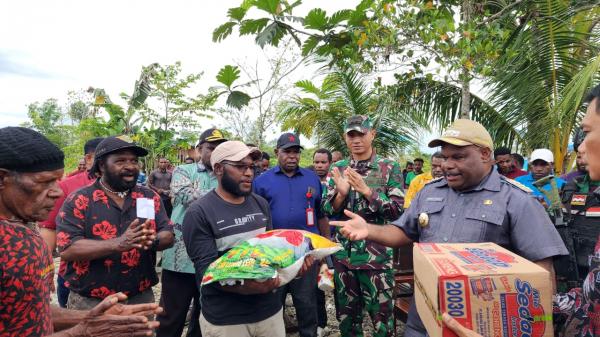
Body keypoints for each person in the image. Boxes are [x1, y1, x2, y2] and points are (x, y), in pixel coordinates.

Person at [331, 118, 568, 337]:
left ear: (485, 154)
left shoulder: (517, 200)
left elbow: (543, 273)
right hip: (423, 318)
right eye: (445, 157)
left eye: (458, 157)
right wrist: (368, 230)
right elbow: (404, 231)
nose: (447, 165)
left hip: (480, 325)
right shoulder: (430, 192)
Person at [0, 127, 161, 337]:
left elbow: (31, 313)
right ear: (3, 178)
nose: (57, 191)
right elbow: (67, 248)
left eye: (57, 180)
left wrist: (91, 319)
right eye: (44, 182)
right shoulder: (80, 199)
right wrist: (79, 332)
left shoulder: (23, 235)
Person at [183, 141, 314, 337]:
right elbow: (207, 274)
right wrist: (252, 287)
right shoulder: (199, 213)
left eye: (251, 167)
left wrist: (292, 269)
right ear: (218, 169)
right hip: (227, 320)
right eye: (240, 166)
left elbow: (270, 255)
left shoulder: (260, 204)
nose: (249, 173)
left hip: (269, 313)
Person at [57, 135, 174, 310]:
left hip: (139, 298)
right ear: (102, 165)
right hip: (92, 302)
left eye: (134, 161)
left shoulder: (148, 196)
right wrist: (118, 244)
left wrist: (153, 240)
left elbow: (168, 233)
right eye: (120, 161)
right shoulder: (80, 199)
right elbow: (67, 249)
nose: (130, 166)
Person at [322, 115, 404, 337]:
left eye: (362, 134)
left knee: (382, 324)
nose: (356, 140)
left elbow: (397, 211)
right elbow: (327, 211)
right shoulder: (338, 168)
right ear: (345, 138)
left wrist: (368, 191)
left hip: (376, 259)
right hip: (344, 259)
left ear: (372, 134)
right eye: (351, 135)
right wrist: (341, 194)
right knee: (347, 322)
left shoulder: (388, 167)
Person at [254, 133, 328, 337]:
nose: (292, 156)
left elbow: (321, 214)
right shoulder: (261, 181)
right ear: (278, 152)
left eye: (296, 152)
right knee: (273, 304)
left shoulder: (312, 178)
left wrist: (326, 249)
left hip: (305, 253)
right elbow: (255, 219)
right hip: (274, 254)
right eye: (287, 151)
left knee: (306, 303)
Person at [157, 128, 227, 337]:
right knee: (170, 316)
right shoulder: (183, 171)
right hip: (180, 258)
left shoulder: (226, 174)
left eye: (219, 149)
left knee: (203, 316)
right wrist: (225, 196)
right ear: (198, 149)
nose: (214, 153)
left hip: (213, 258)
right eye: (210, 148)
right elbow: (188, 196)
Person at [39, 137, 104, 308]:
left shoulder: (130, 189)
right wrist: (45, 271)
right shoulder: (67, 186)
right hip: (75, 278)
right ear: (89, 159)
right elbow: (49, 229)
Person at [312, 147, 333, 335]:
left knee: (326, 279)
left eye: (323, 162)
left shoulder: (335, 182)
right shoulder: (308, 181)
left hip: (331, 237)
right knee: (314, 280)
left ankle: (323, 322)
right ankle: (318, 323)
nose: (319, 166)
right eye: (316, 162)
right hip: (313, 238)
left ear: (330, 163)